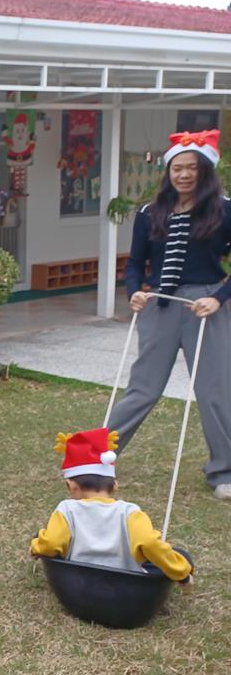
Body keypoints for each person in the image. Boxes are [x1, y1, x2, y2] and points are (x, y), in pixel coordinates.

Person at [109, 129, 231, 501]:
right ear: (168, 171)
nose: (184, 174)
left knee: (214, 391)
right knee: (142, 389)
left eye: (192, 167)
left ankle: (224, 471)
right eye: (177, 168)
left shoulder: (224, 209)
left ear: (205, 170)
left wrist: (219, 298)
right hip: (159, 304)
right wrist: (134, 292)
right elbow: (135, 263)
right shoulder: (150, 213)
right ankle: (97, 459)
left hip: (206, 306)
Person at [31, 428, 193, 582]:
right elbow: (149, 543)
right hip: (127, 587)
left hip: (76, 585)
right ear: (115, 485)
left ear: (72, 485)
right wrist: (181, 572)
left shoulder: (66, 509)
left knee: (42, 537)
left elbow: (51, 544)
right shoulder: (130, 512)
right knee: (179, 555)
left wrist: (36, 547)